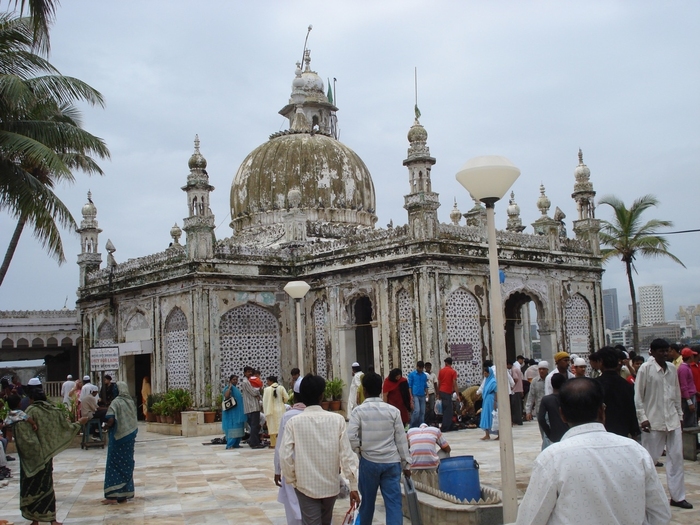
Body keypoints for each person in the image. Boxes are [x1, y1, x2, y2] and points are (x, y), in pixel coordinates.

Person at [515, 378, 671, 525]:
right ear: (602, 411)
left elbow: (530, 519)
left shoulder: (553, 458)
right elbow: (660, 514)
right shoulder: (637, 452)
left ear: (562, 414)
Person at [280, 374, 359, 525]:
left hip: (305, 486)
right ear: (322, 395)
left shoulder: (293, 423)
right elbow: (347, 455)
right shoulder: (337, 420)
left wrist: (293, 479)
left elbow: (285, 456)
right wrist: (353, 485)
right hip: (330, 485)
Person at [13, 379, 88, 524]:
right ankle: (52, 519)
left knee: (34, 487)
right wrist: (79, 423)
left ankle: (35, 520)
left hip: (34, 457)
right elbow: (65, 428)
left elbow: (23, 432)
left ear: (32, 398)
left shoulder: (30, 411)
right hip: (47, 456)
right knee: (47, 486)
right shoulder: (54, 411)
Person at [635, 338, 693, 509]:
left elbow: (675, 393)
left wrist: (680, 415)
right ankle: (643, 498)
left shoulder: (672, 368)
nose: (664, 354)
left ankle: (677, 496)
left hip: (673, 420)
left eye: (666, 351)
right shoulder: (646, 369)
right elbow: (638, 396)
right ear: (651, 352)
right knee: (649, 461)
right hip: (653, 422)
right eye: (661, 351)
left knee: (676, 459)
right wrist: (642, 417)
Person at [348, 371, 411, 525]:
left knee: (367, 504)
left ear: (364, 390)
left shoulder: (358, 411)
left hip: (369, 462)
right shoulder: (393, 411)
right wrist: (406, 464)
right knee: (394, 504)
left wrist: (359, 450)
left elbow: (351, 436)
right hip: (391, 463)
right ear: (381, 389)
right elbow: (401, 441)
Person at [102, 381, 138, 504]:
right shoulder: (131, 402)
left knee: (114, 464)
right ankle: (124, 493)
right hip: (129, 438)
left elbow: (111, 419)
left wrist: (106, 426)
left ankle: (112, 494)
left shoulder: (116, 402)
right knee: (126, 464)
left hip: (118, 438)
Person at [274, 390, 306, 525]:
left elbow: (280, 446)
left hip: (292, 467)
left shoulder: (288, 416)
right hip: (313, 468)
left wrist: (277, 470)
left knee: (294, 506)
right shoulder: (324, 416)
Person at [596, 346, 639, 438]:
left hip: (601, 432)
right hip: (622, 432)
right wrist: (634, 430)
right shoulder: (627, 385)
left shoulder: (595, 385)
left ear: (601, 362)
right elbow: (632, 409)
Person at [407, 422, 450, 487]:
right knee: (445, 452)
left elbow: (405, 449)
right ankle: (442, 473)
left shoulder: (410, 431)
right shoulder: (435, 430)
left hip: (413, 466)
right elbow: (447, 449)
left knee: (406, 452)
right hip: (432, 467)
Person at [538, 373, 568, 448]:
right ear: (564, 384)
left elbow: (541, 418)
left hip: (555, 436)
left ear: (551, 384)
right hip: (568, 434)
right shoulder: (568, 398)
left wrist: (549, 433)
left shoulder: (546, 399)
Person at [240, 366, 265, 449]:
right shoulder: (245, 382)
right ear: (244, 373)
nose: (250, 373)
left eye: (251, 372)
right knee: (254, 426)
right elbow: (253, 392)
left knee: (255, 425)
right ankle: (254, 443)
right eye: (248, 372)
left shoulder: (249, 381)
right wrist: (259, 390)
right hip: (252, 406)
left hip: (253, 406)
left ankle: (254, 441)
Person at [263, 376, 289, 448]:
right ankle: (282, 443)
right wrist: (282, 401)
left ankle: (273, 444)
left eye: (268, 381)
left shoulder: (267, 389)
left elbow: (265, 401)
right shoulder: (281, 388)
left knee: (272, 426)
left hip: (271, 409)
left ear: (271, 381)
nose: (267, 383)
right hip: (281, 409)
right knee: (281, 426)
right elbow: (287, 397)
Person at [222, 375, 246, 449]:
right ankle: (230, 444)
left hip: (238, 413)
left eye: (236, 379)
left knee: (239, 427)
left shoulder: (236, 389)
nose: (235, 381)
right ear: (230, 380)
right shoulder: (228, 388)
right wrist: (229, 387)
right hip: (231, 414)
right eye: (233, 379)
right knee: (232, 428)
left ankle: (236, 444)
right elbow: (226, 396)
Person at [678, 347, 698, 429]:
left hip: (690, 396)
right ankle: (689, 440)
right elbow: (684, 386)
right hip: (688, 397)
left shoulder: (686, 367)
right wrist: (689, 402)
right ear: (690, 357)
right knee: (689, 421)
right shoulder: (683, 369)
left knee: (693, 419)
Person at [437, 357, 458, 432]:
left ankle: (446, 425)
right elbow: (454, 384)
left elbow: (439, 383)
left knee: (445, 409)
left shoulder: (441, 371)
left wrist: (438, 393)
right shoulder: (453, 372)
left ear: (446, 363)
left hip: (442, 391)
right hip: (447, 392)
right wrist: (457, 395)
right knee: (448, 411)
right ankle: (446, 427)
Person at [478, 364, 497, 440]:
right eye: (484, 373)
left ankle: (499, 434)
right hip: (486, 400)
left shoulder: (493, 382)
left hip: (491, 400)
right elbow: (482, 389)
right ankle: (487, 434)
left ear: (490, 373)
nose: (485, 374)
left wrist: (495, 401)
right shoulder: (486, 381)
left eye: (486, 373)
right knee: (486, 415)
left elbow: (496, 392)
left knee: (494, 416)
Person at [407, 361, 428, 427]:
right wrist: (410, 396)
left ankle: (421, 425)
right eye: (420, 368)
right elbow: (410, 386)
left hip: (422, 395)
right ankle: (412, 425)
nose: (421, 369)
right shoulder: (412, 374)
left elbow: (425, 385)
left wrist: (427, 394)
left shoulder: (424, 375)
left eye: (422, 368)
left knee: (422, 412)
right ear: (417, 367)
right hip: (415, 394)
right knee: (417, 411)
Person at [508, 360, 524, 425]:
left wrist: (512, 386)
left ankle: (516, 421)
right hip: (519, 389)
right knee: (518, 406)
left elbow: (515, 378)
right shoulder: (517, 369)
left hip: (515, 390)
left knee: (515, 407)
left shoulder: (513, 369)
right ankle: (518, 420)